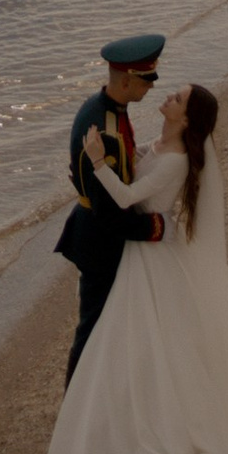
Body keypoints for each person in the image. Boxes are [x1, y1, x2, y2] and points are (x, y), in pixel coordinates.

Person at [44, 80, 228, 454]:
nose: (169, 97)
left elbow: (126, 197)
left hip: (151, 259)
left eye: (178, 99)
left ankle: (149, 421)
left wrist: (97, 163)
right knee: (136, 335)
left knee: (150, 336)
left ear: (187, 118)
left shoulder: (176, 161)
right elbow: (141, 164)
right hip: (143, 251)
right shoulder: (161, 147)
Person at [55, 32, 169, 384]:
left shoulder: (107, 109)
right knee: (93, 325)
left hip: (96, 229)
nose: (150, 88)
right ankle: (75, 404)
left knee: (106, 321)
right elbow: (106, 213)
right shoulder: (105, 130)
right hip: (99, 239)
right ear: (125, 80)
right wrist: (154, 227)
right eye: (146, 81)